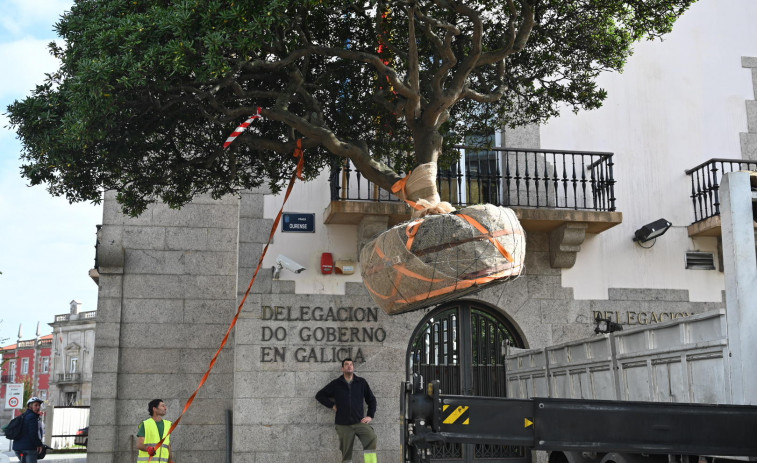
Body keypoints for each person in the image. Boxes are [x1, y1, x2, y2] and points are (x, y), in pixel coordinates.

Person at [316, 358, 378, 463]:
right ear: (342, 368)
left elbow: (371, 400)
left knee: (371, 437)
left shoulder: (361, 382)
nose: (349, 366)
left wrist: (370, 415)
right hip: (343, 424)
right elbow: (320, 395)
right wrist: (332, 405)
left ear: (353, 368)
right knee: (346, 452)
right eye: (346, 364)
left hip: (359, 422)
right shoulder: (336, 384)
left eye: (351, 364)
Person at [12, 397, 45, 463]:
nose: (38, 407)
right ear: (30, 406)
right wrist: (39, 444)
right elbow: (33, 433)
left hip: (17, 447)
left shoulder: (23, 416)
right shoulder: (32, 417)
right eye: (35, 405)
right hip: (28, 448)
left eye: (39, 405)